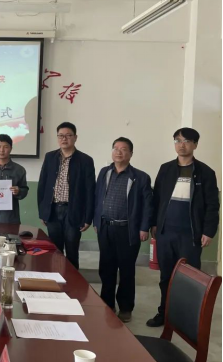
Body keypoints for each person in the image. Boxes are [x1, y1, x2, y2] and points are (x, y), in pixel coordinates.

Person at [147, 128, 220, 327]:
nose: (181, 145)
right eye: (177, 140)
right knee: (166, 276)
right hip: (166, 233)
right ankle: (164, 313)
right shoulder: (166, 169)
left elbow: (212, 205)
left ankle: (185, 318)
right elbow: (157, 199)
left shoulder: (205, 172)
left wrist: (208, 231)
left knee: (189, 278)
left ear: (195, 144)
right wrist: (154, 223)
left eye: (187, 141)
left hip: (190, 235)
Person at [94, 137, 153, 323]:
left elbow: (148, 205)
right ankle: (107, 304)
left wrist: (144, 228)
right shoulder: (104, 172)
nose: (119, 152)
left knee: (126, 270)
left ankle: (126, 308)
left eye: (124, 149)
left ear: (131, 154)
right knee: (106, 268)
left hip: (128, 230)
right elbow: (97, 198)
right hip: (106, 228)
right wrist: (96, 221)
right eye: (116, 148)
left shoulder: (140, 177)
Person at [38, 122, 95, 269]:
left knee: (72, 251)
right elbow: (42, 185)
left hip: (73, 211)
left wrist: (88, 218)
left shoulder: (85, 160)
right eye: (61, 136)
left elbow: (90, 190)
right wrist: (42, 211)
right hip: (53, 210)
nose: (64, 139)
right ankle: (55, 280)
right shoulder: (50, 157)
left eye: (68, 135)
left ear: (75, 137)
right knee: (54, 251)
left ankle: (72, 282)